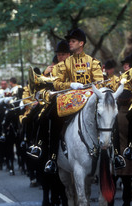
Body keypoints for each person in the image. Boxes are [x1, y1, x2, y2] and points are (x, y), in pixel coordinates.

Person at [44, 28, 104, 173]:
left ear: (81, 43)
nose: (69, 43)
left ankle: (115, 155)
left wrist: (89, 90)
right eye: (69, 41)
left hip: (90, 99)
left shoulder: (93, 62)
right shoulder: (64, 64)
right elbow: (57, 83)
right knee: (50, 115)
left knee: (109, 116)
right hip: (70, 100)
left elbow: (100, 82)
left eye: (73, 41)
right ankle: (52, 157)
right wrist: (70, 85)